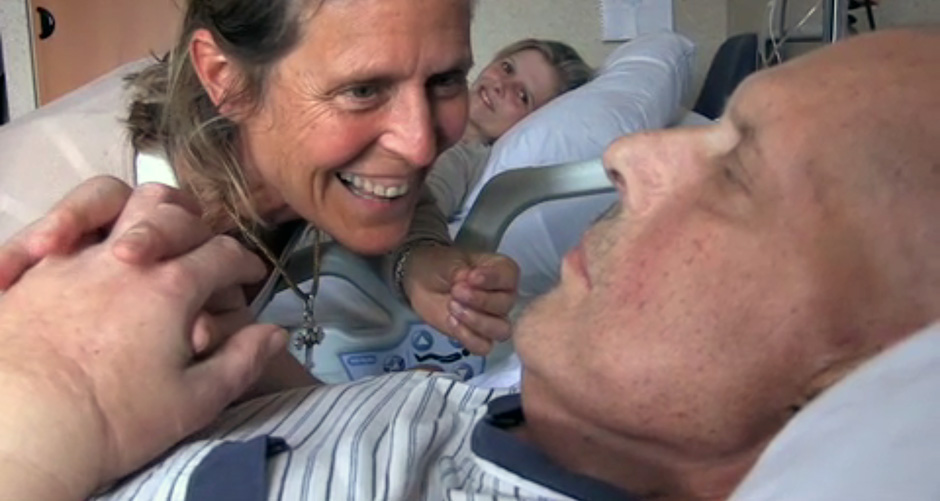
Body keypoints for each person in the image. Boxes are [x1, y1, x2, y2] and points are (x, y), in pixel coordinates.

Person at [1, 28, 939, 500]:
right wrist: (234, 359)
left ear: (853, 394)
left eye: (735, 171)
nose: (627, 154)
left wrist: (41, 424)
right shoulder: (476, 416)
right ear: (225, 78)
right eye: (363, 84)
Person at [0, 0, 518, 359]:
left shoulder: (275, 148)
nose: (420, 144)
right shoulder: (45, 230)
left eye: (445, 80)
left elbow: (414, 188)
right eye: (362, 90)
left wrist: (417, 256)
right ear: (224, 78)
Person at [426, 38, 593, 219]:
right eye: (507, 68)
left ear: (530, 122)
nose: (500, 85)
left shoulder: (459, 160)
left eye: (522, 96)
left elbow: (420, 215)